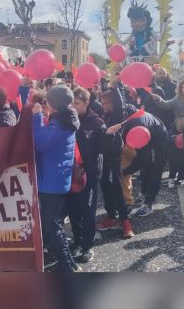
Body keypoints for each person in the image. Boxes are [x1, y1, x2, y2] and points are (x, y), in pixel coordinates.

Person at [32, 85, 80, 272]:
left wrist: (37, 118)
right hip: (57, 179)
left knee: (52, 227)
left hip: (51, 183)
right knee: (55, 224)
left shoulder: (59, 123)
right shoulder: (67, 119)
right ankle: (70, 263)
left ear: (52, 104)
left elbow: (41, 142)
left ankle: (66, 266)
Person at [67, 87, 108, 263]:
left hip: (88, 174)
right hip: (69, 173)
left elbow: (105, 149)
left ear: (86, 103)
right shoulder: (67, 119)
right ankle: (77, 241)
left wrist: (112, 137)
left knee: (88, 210)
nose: (73, 107)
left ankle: (87, 246)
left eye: (77, 103)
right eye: (71, 103)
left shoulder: (97, 123)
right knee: (73, 210)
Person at [112, 110, 169, 217]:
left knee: (154, 169)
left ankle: (148, 203)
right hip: (144, 133)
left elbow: (141, 159)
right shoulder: (122, 118)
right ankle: (143, 193)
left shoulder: (137, 126)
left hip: (158, 138)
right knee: (146, 169)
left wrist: (126, 171)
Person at [97, 87, 134, 238]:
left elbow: (119, 104)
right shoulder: (105, 116)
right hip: (102, 157)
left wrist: (114, 87)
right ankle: (111, 216)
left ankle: (125, 220)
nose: (103, 105)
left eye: (105, 103)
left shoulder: (118, 115)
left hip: (114, 157)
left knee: (117, 188)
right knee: (105, 186)